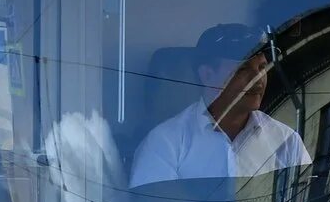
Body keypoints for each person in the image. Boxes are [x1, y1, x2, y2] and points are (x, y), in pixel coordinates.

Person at [129, 23, 311, 188]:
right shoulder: (164, 144)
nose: (257, 79)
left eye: (262, 68)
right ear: (207, 75)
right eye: (243, 69)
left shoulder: (286, 141)